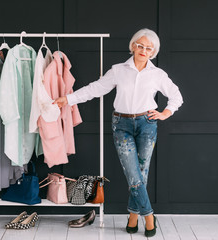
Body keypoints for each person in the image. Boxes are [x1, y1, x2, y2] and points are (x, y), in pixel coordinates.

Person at [53, 28, 183, 237]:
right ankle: (148, 216)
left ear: (153, 52)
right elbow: (95, 88)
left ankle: (133, 216)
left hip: (147, 124)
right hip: (121, 124)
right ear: (133, 46)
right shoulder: (118, 70)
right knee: (133, 173)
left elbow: (176, 96)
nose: (143, 50)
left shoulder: (157, 74)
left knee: (142, 173)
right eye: (140, 45)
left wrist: (165, 113)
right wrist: (67, 99)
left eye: (148, 48)